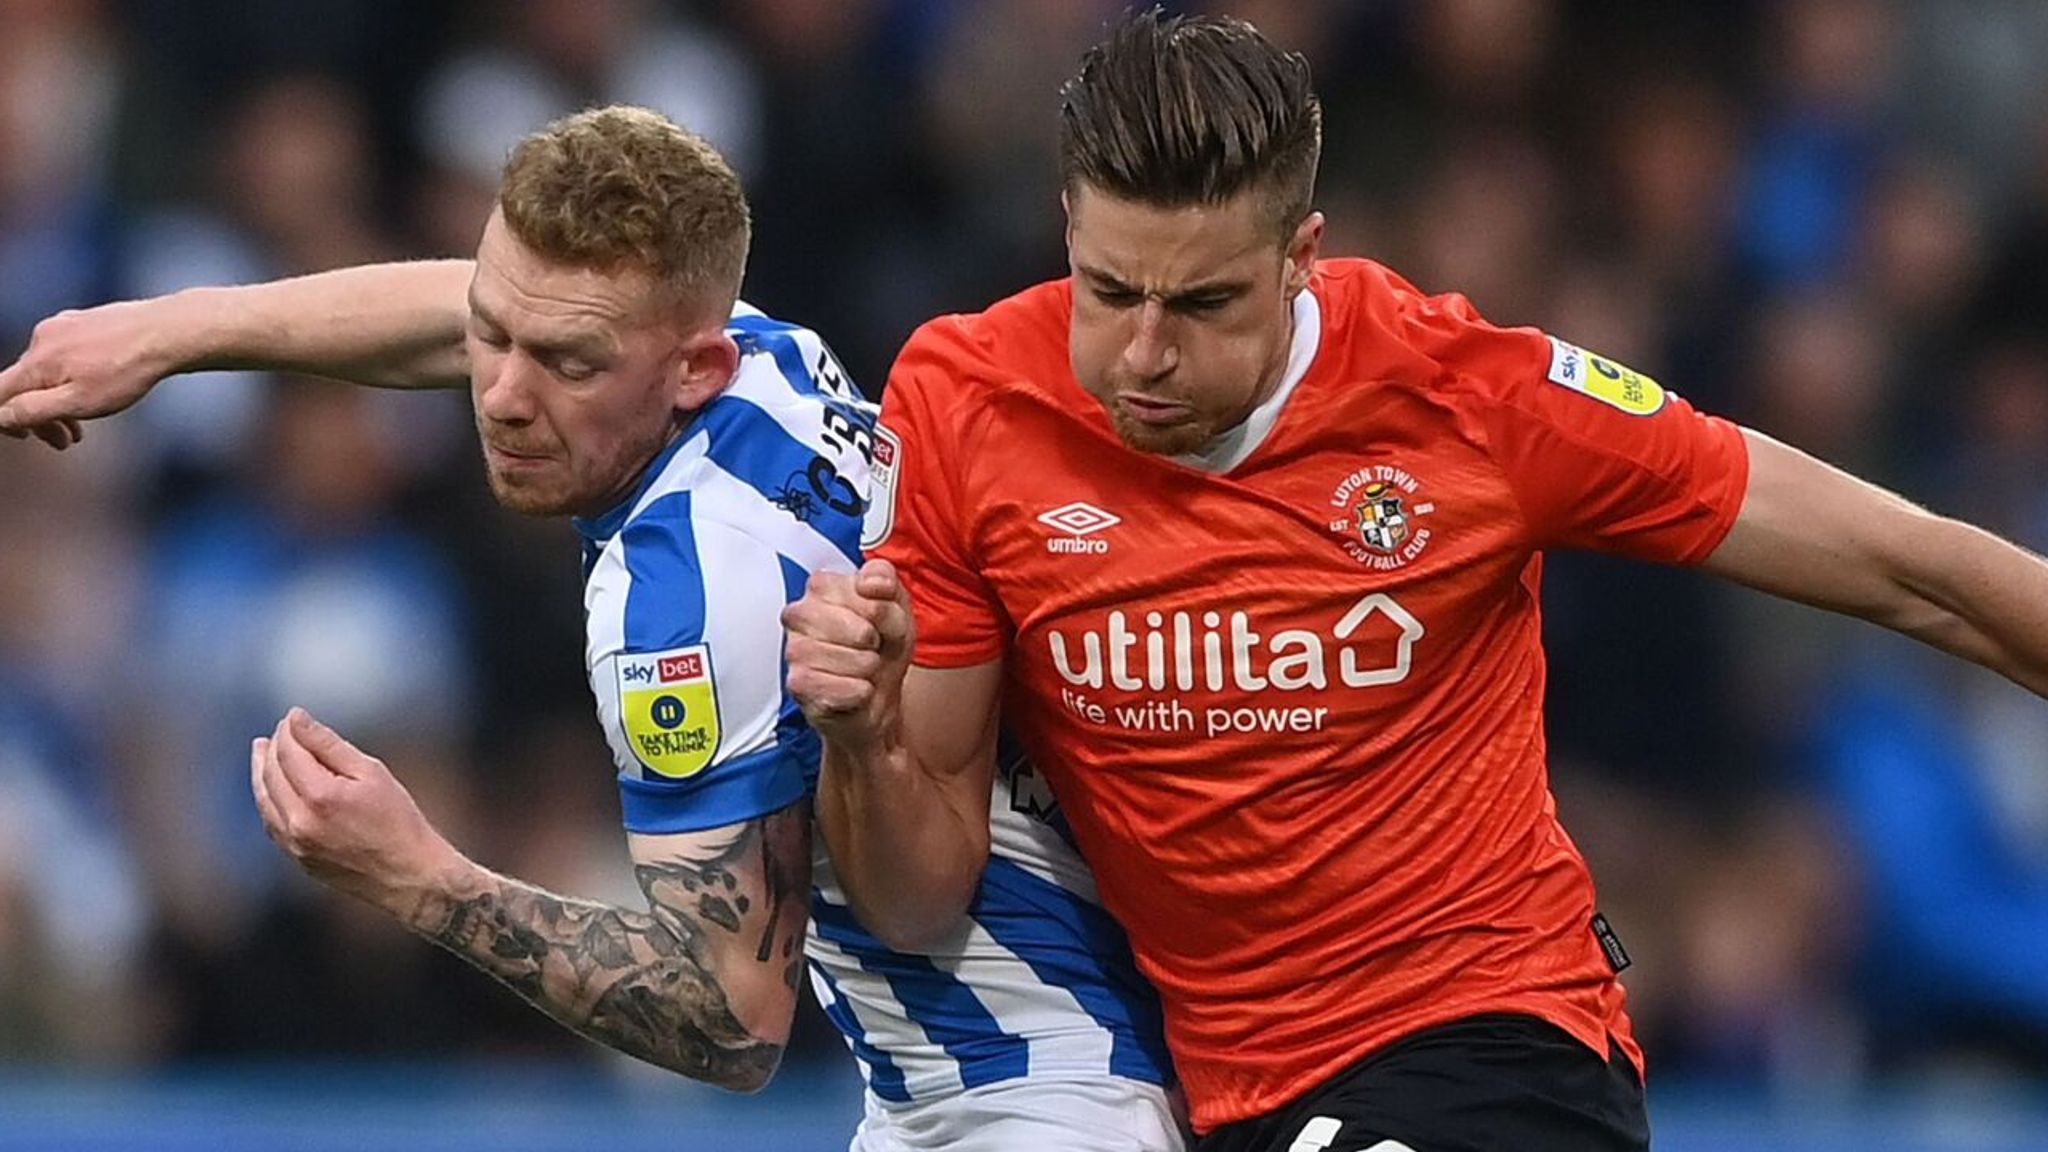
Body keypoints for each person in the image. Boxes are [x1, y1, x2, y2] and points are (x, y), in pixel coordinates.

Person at [779, 11, 2048, 1152]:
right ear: (1067, 228)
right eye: (1109, 292)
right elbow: (911, 895)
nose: (1144, 356)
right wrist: (860, 738)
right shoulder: (962, 403)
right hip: (1230, 1097)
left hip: (1492, 1050)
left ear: (1300, 256)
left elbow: (1911, 570)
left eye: (1206, 303)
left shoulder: (1471, 400)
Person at [0, 106, 1179, 1151]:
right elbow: (451, 313)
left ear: (689, 369)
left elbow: (731, 1020)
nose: (502, 395)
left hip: (1032, 1093)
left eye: (566, 363)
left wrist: (417, 877)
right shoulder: (757, 357)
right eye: (494, 335)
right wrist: (172, 332)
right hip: (1004, 1067)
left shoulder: (687, 595)